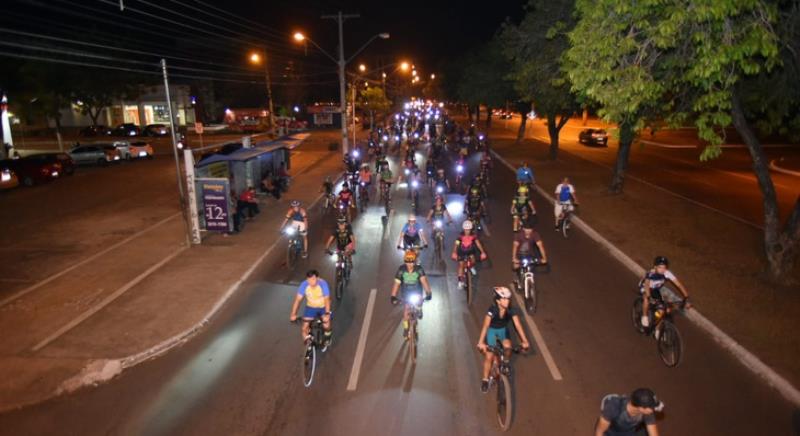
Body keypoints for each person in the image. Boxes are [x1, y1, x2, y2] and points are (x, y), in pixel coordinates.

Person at [476, 286, 530, 393]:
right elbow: (486, 325)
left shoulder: (511, 310)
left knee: (508, 347)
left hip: (503, 331)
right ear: (497, 300)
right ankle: (485, 379)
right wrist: (481, 342)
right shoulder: (492, 310)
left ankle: (505, 362)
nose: (507, 301)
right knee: (489, 356)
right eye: (504, 299)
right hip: (492, 331)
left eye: (508, 299)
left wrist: (525, 341)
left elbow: (518, 325)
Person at [389, 250, 433, 339]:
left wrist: (428, 293)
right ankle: (406, 328)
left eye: (412, 262)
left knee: (419, 302)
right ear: (405, 262)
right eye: (407, 262)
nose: (410, 264)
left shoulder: (419, 269)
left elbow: (424, 282)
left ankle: (419, 309)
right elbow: (396, 284)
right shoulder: (401, 270)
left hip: (417, 292)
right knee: (406, 309)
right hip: (406, 293)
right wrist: (393, 296)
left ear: (415, 261)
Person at [640, 256, 691, 330]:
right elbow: (647, 285)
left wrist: (686, 297)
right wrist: (648, 295)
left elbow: (679, 285)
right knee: (646, 299)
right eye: (660, 267)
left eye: (664, 267)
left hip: (656, 289)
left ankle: (657, 329)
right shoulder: (651, 273)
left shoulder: (667, 273)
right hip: (645, 287)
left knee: (662, 311)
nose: (662, 270)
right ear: (655, 267)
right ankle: (644, 316)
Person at [289, 270, 332, 347]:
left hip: (323, 307)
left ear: (318, 278)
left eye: (313, 279)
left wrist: (327, 313)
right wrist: (293, 314)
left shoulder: (323, 284)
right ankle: (308, 344)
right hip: (311, 307)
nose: (310, 282)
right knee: (304, 328)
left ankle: (328, 337)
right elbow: (298, 300)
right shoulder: (304, 285)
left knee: (326, 325)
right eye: (308, 279)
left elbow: (327, 300)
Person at [594, 388, 664, 436]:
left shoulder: (647, 413)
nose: (654, 410)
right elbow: (599, 431)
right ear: (641, 408)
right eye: (652, 407)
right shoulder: (614, 407)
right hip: (608, 433)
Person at [451, 220, 488, 288]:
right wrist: (454, 252)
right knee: (461, 266)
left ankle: (470, 267)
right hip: (461, 252)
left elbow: (478, 244)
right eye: (466, 230)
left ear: (471, 229)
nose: (467, 231)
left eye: (468, 230)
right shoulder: (460, 236)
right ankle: (460, 282)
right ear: (463, 229)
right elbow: (456, 244)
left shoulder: (474, 236)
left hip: (470, 251)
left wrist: (482, 252)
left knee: (473, 261)